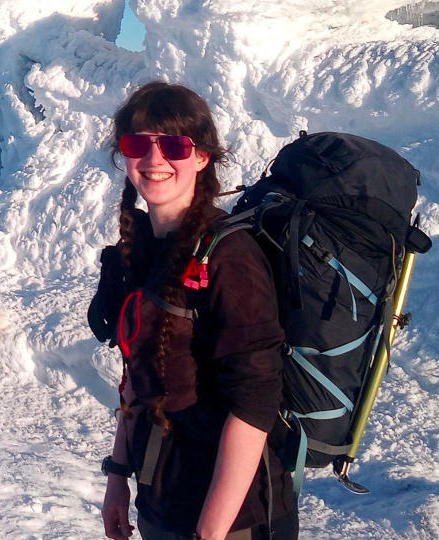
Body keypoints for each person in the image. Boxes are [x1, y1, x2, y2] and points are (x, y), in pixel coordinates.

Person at [89, 82, 299, 540]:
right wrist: (117, 477)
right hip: (164, 501)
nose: (153, 159)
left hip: (234, 521)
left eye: (173, 145)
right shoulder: (143, 249)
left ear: (202, 157)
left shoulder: (229, 255)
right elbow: (139, 378)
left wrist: (211, 530)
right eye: (137, 143)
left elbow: (256, 399)